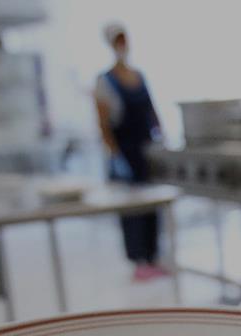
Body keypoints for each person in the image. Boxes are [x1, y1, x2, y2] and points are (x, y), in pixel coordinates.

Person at [94, 23, 168, 280]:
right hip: (125, 154)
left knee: (152, 208)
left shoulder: (139, 75)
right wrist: (115, 156)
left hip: (147, 151)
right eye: (118, 40)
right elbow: (103, 124)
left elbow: (152, 111)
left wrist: (162, 137)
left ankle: (153, 256)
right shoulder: (104, 81)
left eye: (124, 39)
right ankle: (138, 261)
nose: (122, 45)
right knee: (132, 211)